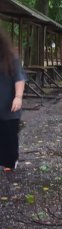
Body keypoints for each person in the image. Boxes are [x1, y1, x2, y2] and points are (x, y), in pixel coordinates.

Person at [0, 28, 26, 172]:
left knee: (9, 137)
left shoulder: (11, 58)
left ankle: (10, 162)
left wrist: (18, 97)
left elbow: (19, 78)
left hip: (10, 107)